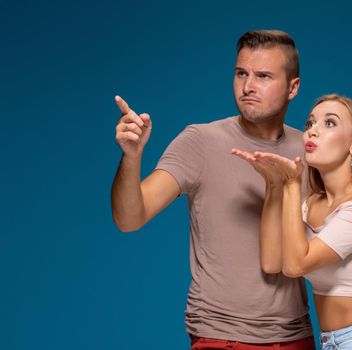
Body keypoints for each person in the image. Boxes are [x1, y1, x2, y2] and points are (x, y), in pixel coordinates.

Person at [110, 30, 315, 349]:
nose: (248, 86)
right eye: (241, 73)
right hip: (220, 335)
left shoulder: (310, 150)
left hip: (295, 335)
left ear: (293, 87)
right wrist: (132, 157)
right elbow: (129, 218)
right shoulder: (200, 141)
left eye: (263, 76)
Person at [232, 94, 352, 349]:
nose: (312, 132)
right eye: (310, 124)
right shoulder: (311, 204)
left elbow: (296, 265)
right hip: (332, 342)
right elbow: (273, 262)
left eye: (329, 123)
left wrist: (293, 183)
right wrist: (274, 184)